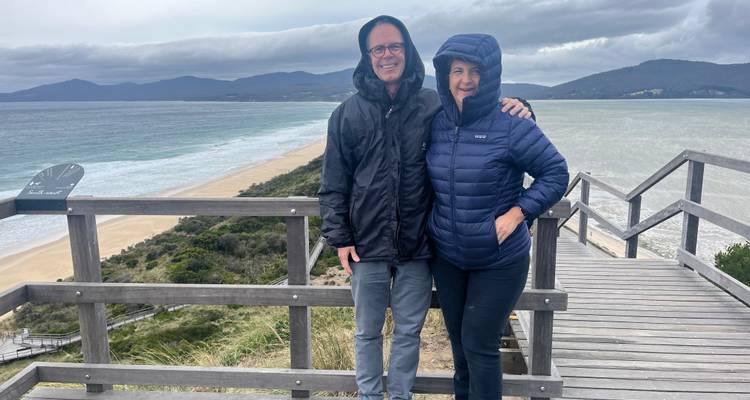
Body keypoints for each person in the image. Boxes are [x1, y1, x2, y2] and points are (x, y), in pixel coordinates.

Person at [319, 16, 531, 400]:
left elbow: (477, 117)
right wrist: (339, 236)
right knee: (367, 331)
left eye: (395, 46)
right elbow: (334, 183)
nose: (387, 54)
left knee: (408, 331)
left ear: (408, 50)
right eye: (378, 48)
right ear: (367, 56)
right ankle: (370, 396)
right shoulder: (346, 115)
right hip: (365, 245)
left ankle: (400, 396)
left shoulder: (432, 103)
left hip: (419, 244)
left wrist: (521, 105)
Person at [426, 34, 569, 400]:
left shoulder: (511, 122)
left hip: (498, 258)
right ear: (445, 75)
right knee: (459, 348)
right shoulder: (436, 122)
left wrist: (518, 213)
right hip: (449, 258)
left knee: (479, 345)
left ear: (491, 76)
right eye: (457, 70)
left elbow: (555, 171)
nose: (466, 79)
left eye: (476, 71)